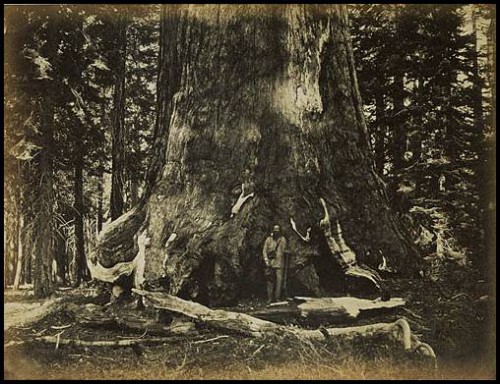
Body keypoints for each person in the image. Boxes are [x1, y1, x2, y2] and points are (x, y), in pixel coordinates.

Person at [262, 225, 287, 303]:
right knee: (270, 281)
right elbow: (264, 251)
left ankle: (277, 298)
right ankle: (269, 298)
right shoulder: (268, 240)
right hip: (270, 264)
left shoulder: (283, 239)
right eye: (275, 230)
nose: (276, 232)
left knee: (279, 281)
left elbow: (284, 250)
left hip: (280, 263)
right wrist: (266, 260)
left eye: (278, 230)